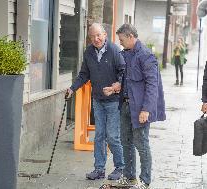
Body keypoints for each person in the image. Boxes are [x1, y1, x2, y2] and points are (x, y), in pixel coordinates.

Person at [103, 24, 166, 189]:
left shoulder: (146, 56)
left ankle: (145, 181)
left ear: (130, 36)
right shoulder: (127, 54)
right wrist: (115, 87)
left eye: (122, 40)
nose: (120, 43)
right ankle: (130, 178)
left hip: (140, 110)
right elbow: (128, 81)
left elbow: (152, 86)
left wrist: (146, 109)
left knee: (141, 144)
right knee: (126, 143)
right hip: (124, 106)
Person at [67, 23, 125, 181]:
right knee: (99, 136)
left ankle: (120, 167)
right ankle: (99, 169)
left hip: (113, 101)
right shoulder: (88, 52)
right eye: (92, 36)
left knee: (113, 136)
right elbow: (84, 74)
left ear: (105, 34)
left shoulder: (114, 51)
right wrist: (72, 88)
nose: (96, 39)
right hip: (98, 100)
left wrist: (116, 87)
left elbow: (124, 73)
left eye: (98, 35)